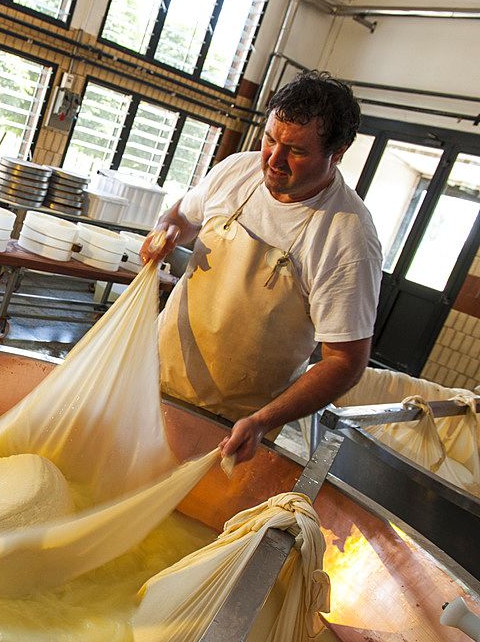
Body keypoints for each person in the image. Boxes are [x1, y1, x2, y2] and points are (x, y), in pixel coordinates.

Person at [141, 70, 382, 464]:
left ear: (337, 154)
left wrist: (263, 421)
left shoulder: (347, 237)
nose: (274, 159)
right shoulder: (237, 171)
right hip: (154, 377)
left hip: (232, 425)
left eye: (297, 151)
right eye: (270, 139)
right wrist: (166, 231)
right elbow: (181, 217)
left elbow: (345, 361)